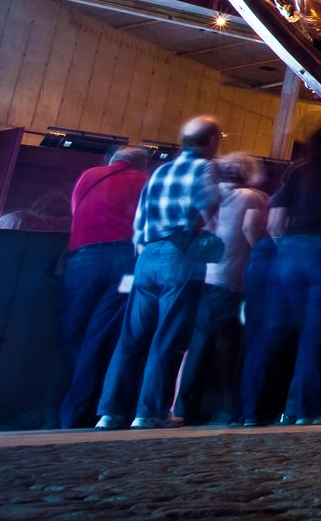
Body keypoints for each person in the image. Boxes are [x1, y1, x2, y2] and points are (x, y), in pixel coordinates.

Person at [96, 116, 223, 429]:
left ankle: (110, 413)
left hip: (147, 256)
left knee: (132, 337)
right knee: (168, 336)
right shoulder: (205, 169)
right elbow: (209, 210)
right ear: (211, 141)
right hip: (180, 256)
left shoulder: (160, 171)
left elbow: (139, 220)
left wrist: (144, 251)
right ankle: (149, 412)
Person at [243, 118, 321, 425]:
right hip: (319, 253)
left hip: (287, 254)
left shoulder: (294, 170)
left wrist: (286, 247)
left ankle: (252, 411)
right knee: (316, 335)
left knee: (274, 331)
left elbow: (273, 223)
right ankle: (309, 410)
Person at [59, 146, 154, 427]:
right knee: (104, 334)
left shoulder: (90, 175)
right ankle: (86, 407)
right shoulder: (144, 182)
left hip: (83, 258)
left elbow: (76, 210)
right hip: (125, 263)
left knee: (72, 329)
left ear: (113, 160)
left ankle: (78, 405)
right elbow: (145, 222)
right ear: (142, 165)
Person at [174, 153, 267, 423]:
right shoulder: (252, 196)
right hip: (231, 277)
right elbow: (251, 229)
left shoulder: (211, 195)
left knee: (198, 343)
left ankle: (184, 408)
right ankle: (227, 408)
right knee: (227, 347)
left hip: (201, 276)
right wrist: (262, 251)